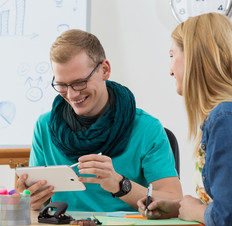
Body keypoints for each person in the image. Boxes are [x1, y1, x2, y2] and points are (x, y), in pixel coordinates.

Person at [16, 29, 182, 212]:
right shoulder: (45, 127)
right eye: (62, 85)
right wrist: (28, 202)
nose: (72, 95)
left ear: (105, 70)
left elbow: (174, 202)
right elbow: (34, 204)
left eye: (80, 82)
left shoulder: (146, 128)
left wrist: (120, 184)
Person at [136, 13, 232, 226]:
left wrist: (197, 211)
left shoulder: (223, 118)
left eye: (172, 55)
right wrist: (180, 207)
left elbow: (227, 220)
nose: (170, 70)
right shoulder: (220, 117)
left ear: (195, 57)